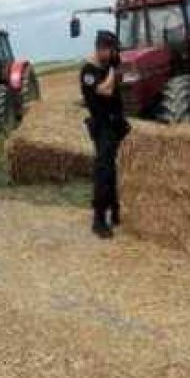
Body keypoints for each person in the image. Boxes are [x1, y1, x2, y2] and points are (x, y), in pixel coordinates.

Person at [80, 30, 130, 239]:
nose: (113, 54)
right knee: (104, 173)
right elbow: (106, 90)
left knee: (118, 171)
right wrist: (113, 70)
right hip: (102, 127)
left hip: (116, 124)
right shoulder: (89, 71)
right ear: (101, 49)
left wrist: (115, 68)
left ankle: (116, 212)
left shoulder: (107, 66)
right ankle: (98, 220)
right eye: (110, 50)